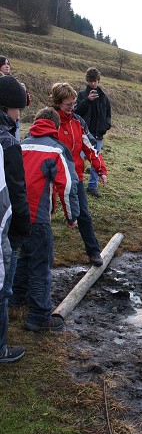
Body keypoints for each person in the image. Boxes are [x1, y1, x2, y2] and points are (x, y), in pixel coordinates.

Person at [10, 108, 80, 331]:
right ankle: (39, 316)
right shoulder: (57, 150)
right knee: (41, 264)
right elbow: (68, 186)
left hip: (14, 215)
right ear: (56, 127)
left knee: (22, 257)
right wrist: (72, 216)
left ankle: (16, 296)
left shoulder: (19, 145)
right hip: (37, 218)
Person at [49, 82, 108, 267]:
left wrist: (100, 169)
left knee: (84, 214)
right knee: (45, 214)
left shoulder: (78, 122)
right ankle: (39, 254)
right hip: (50, 175)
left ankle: (94, 252)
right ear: (58, 102)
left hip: (75, 175)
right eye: (68, 104)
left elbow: (90, 147)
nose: (72, 108)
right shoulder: (49, 121)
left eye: (74, 104)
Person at [0, 76, 31, 362]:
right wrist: (23, 227)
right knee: (2, 286)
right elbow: (17, 191)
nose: (19, 115)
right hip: (4, 226)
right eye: (17, 109)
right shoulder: (8, 143)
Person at [74, 67, 111, 198]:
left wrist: (106, 125)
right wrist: (87, 100)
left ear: (98, 80)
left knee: (97, 160)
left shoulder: (104, 97)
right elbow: (76, 112)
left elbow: (108, 114)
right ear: (87, 81)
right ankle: (76, 183)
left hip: (98, 134)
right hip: (83, 134)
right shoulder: (82, 95)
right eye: (90, 81)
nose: (93, 84)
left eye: (95, 81)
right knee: (79, 159)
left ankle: (92, 186)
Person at [0, 56, 31, 142]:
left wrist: (23, 91)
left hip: (14, 119)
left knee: (14, 140)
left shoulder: (14, 82)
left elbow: (26, 102)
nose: (7, 66)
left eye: (8, 64)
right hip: (4, 120)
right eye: (4, 64)